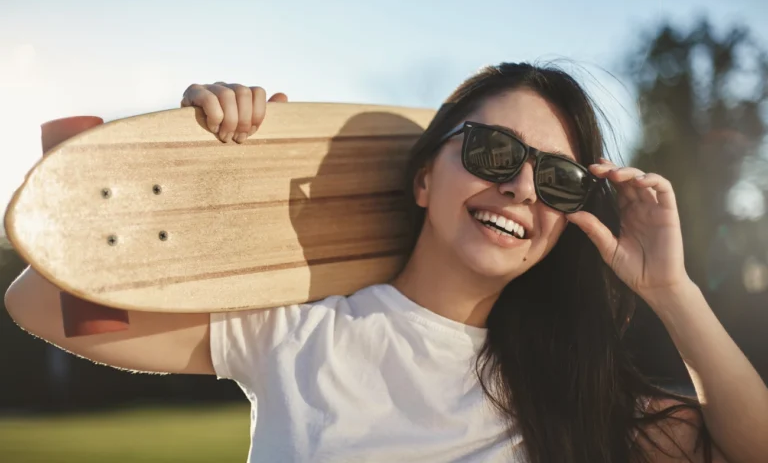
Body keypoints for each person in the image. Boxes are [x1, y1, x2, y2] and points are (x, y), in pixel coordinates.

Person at [5, 63, 767, 462]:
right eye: (493, 151)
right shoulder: (295, 330)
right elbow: (39, 302)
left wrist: (673, 290)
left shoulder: (580, 396)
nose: (521, 187)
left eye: (558, 178)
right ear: (424, 177)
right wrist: (190, 168)